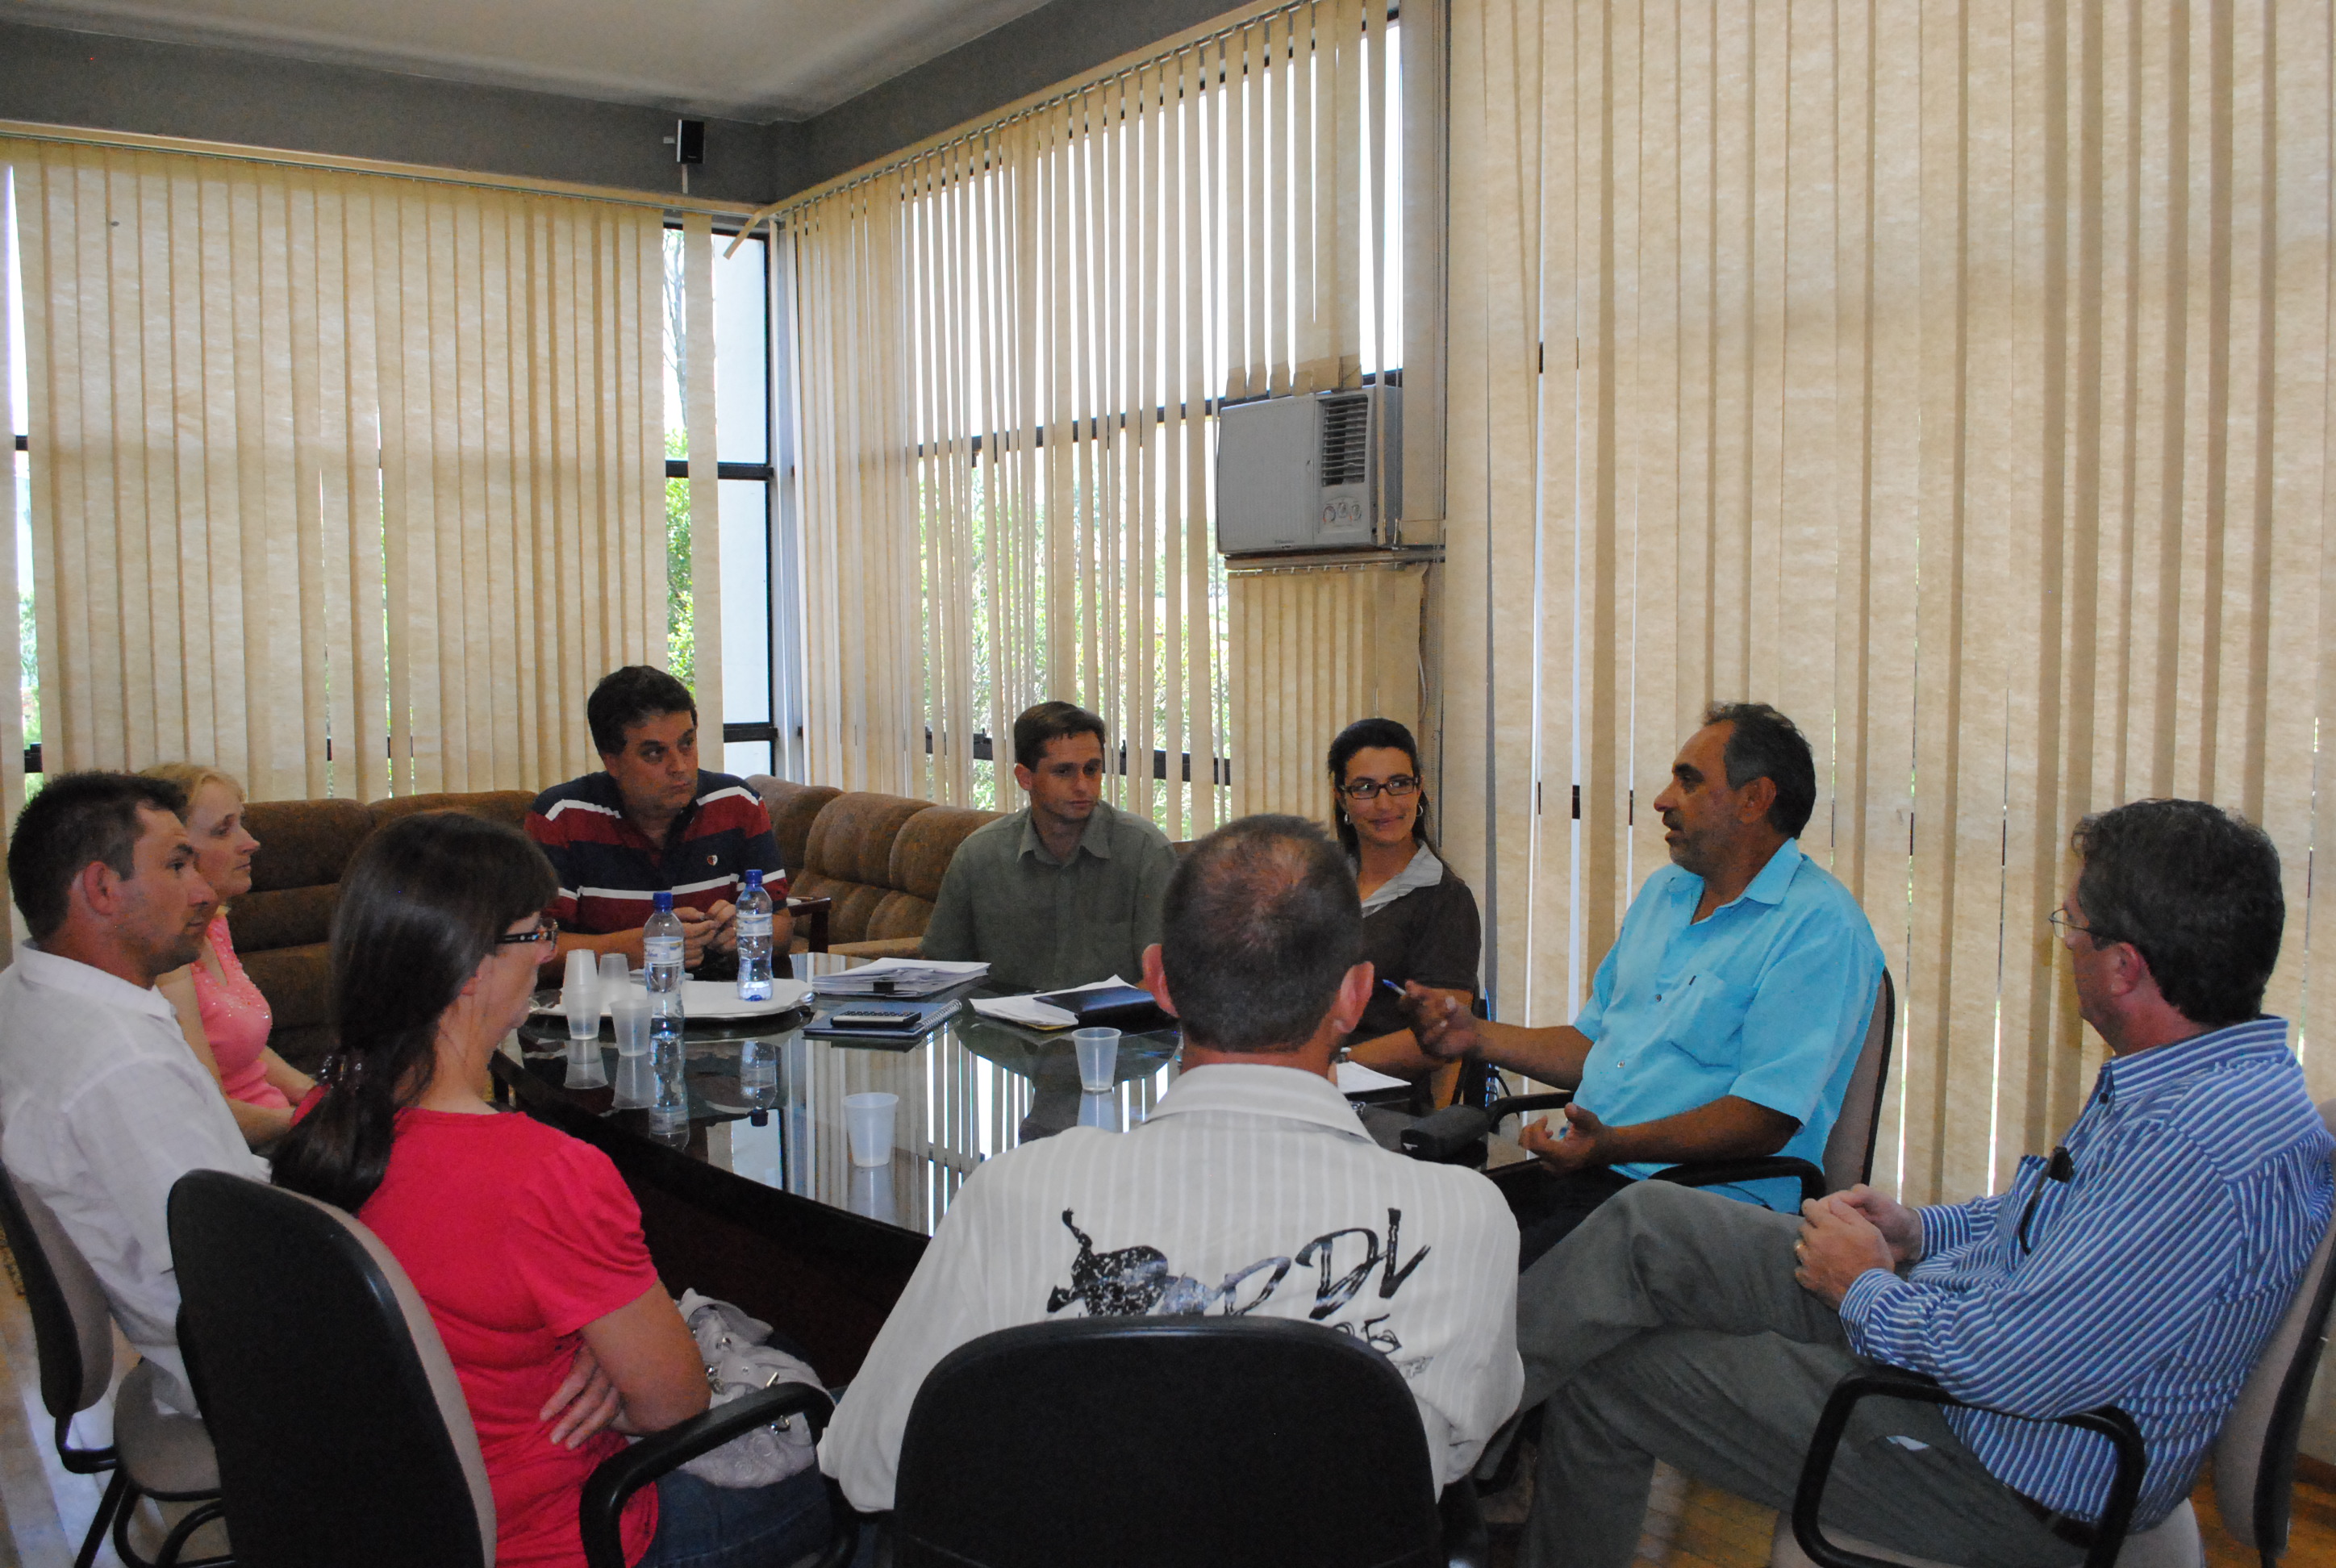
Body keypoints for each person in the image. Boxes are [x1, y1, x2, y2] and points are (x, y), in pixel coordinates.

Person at [1508, 798, 2334, 1568]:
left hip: (1993, 1467)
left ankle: (1432, 1439)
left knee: (1609, 1378)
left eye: (2071, 927)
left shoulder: (2193, 1151)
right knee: (1651, 1220)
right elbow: (2042, 1220)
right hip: (1962, 1350)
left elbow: (2011, 1368)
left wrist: (1864, 1286)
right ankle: (1451, 1415)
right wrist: (1917, 1233)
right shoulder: (2200, 1076)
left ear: (2123, 968)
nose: (2064, 943)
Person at [822, 814, 1522, 1511]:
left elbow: (868, 1465)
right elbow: (1451, 1458)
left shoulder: (1018, 1196)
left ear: (1158, 981)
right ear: (1355, 994)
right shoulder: (1466, 1221)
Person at [269, 812, 830, 1568]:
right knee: (848, 1465)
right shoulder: (541, 1172)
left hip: (394, 1519)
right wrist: (614, 1351)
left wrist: (591, 1345)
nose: (548, 955)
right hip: (570, 1532)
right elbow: (674, 1404)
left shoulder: (323, 1119)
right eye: (537, 933)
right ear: (470, 966)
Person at [1412, 703, 1884, 1263]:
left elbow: (1764, 1119)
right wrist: (1476, 1036)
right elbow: (1597, 1045)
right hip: (1596, 1179)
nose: (1662, 799)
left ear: (1755, 799)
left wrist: (1611, 1145)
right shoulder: (1667, 893)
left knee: (1478, 1291)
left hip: (1703, 1205)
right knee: (1423, 1245)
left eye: (1688, 781)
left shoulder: (1819, 927)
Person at [0, 772, 266, 1413]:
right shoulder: (121, 1064)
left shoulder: (24, 993)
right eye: (178, 865)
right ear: (102, 888)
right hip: (249, 1371)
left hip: (214, 1321)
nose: (203, 889)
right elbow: (239, 1272)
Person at [525, 665, 790, 973]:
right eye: (654, 753)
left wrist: (745, 932)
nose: (680, 766)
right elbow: (533, 948)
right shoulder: (562, 816)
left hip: (722, 1006)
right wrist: (631, 951)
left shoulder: (736, 803)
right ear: (612, 761)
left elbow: (783, 929)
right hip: (607, 1011)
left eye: (687, 743)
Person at [920, 701, 1180, 991]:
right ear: (1025, 778)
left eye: (1092, 770)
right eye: (1063, 772)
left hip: (1111, 1031)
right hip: (1003, 1029)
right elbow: (945, 970)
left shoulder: (1145, 851)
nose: (1083, 785)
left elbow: (1166, 978)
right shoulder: (979, 855)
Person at [140, 763, 316, 1149]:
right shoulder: (168, 959)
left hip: (277, 1125)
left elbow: (243, 1049)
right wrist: (311, 1122)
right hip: (248, 1152)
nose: (251, 841)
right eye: (224, 830)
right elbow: (211, 1114)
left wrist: (314, 1094)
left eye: (241, 824)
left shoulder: (215, 924)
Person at [1325, 718, 1482, 1092]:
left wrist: (1331, 1066)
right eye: (1365, 788)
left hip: (1385, 1105)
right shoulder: (1319, 884)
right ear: (1341, 796)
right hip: (1303, 1086)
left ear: (1419, 789)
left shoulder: (1445, 901)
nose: (1385, 803)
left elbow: (1442, 1038)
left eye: (1399, 784)